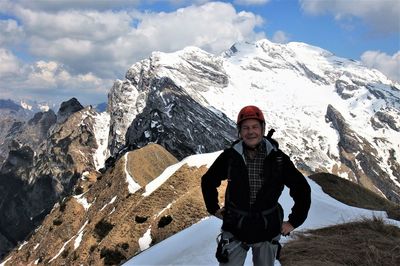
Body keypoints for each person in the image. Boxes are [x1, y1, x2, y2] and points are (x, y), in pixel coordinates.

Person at [201, 105, 311, 266]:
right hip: (235, 228)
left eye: (255, 127)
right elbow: (208, 181)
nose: (250, 131)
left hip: (266, 230)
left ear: (262, 129)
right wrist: (213, 208)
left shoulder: (278, 159)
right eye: (245, 128)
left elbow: (301, 189)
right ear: (240, 131)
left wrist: (294, 222)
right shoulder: (230, 157)